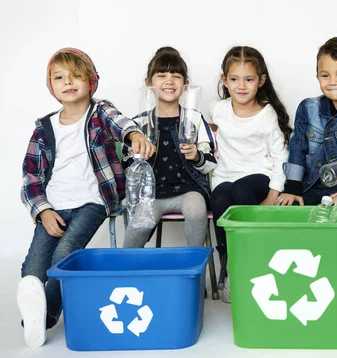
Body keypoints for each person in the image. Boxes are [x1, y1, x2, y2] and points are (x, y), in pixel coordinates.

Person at [18, 47, 155, 347]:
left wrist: (135, 136)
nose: (69, 82)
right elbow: (31, 176)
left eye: (77, 76)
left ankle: (44, 317)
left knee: (64, 254)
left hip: (93, 202)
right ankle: (34, 306)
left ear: (92, 81)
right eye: (59, 77)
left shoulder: (100, 113)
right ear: (51, 86)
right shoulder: (44, 128)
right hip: (54, 206)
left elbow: (122, 124)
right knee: (32, 269)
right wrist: (42, 210)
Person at [210, 46, 291, 303]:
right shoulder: (217, 110)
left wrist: (272, 195)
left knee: (240, 190)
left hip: (259, 178)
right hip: (225, 176)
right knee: (221, 196)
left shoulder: (268, 115)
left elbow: (281, 158)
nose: (241, 86)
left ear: (261, 81)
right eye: (234, 79)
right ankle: (233, 264)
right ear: (224, 80)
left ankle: (254, 259)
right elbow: (208, 146)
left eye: (249, 79)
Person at [122, 47, 216, 248]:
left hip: (188, 189)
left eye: (176, 76)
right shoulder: (138, 124)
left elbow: (210, 163)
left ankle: (194, 266)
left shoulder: (194, 119)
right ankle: (126, 268)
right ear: (149, 83)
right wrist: (137, 158)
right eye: (161, 75)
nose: (169, 81)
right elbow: (126, 165)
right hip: (152, 193)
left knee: (197, 210)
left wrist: (196, 156)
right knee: (139, 223)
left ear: (185, 84)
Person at [277, 37, 337, 206]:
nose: (332, 82)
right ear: (317, 77)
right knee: (290, 210)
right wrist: (292, 188)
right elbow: (297, 148)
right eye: (325, 75)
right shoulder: (308, 107)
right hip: (308, 187)